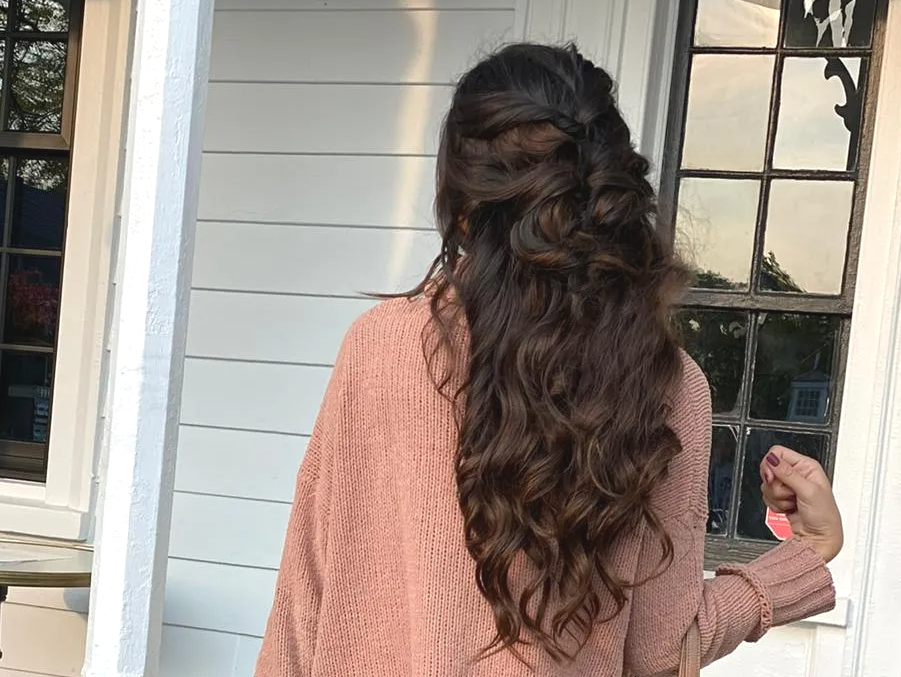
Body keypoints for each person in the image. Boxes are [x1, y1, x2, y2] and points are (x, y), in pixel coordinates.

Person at [254, 43, 842, 676]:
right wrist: (802, 557)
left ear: (463, 197)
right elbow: (660, 653)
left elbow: (304, 602)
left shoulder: (383, 348)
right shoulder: (666, 384)